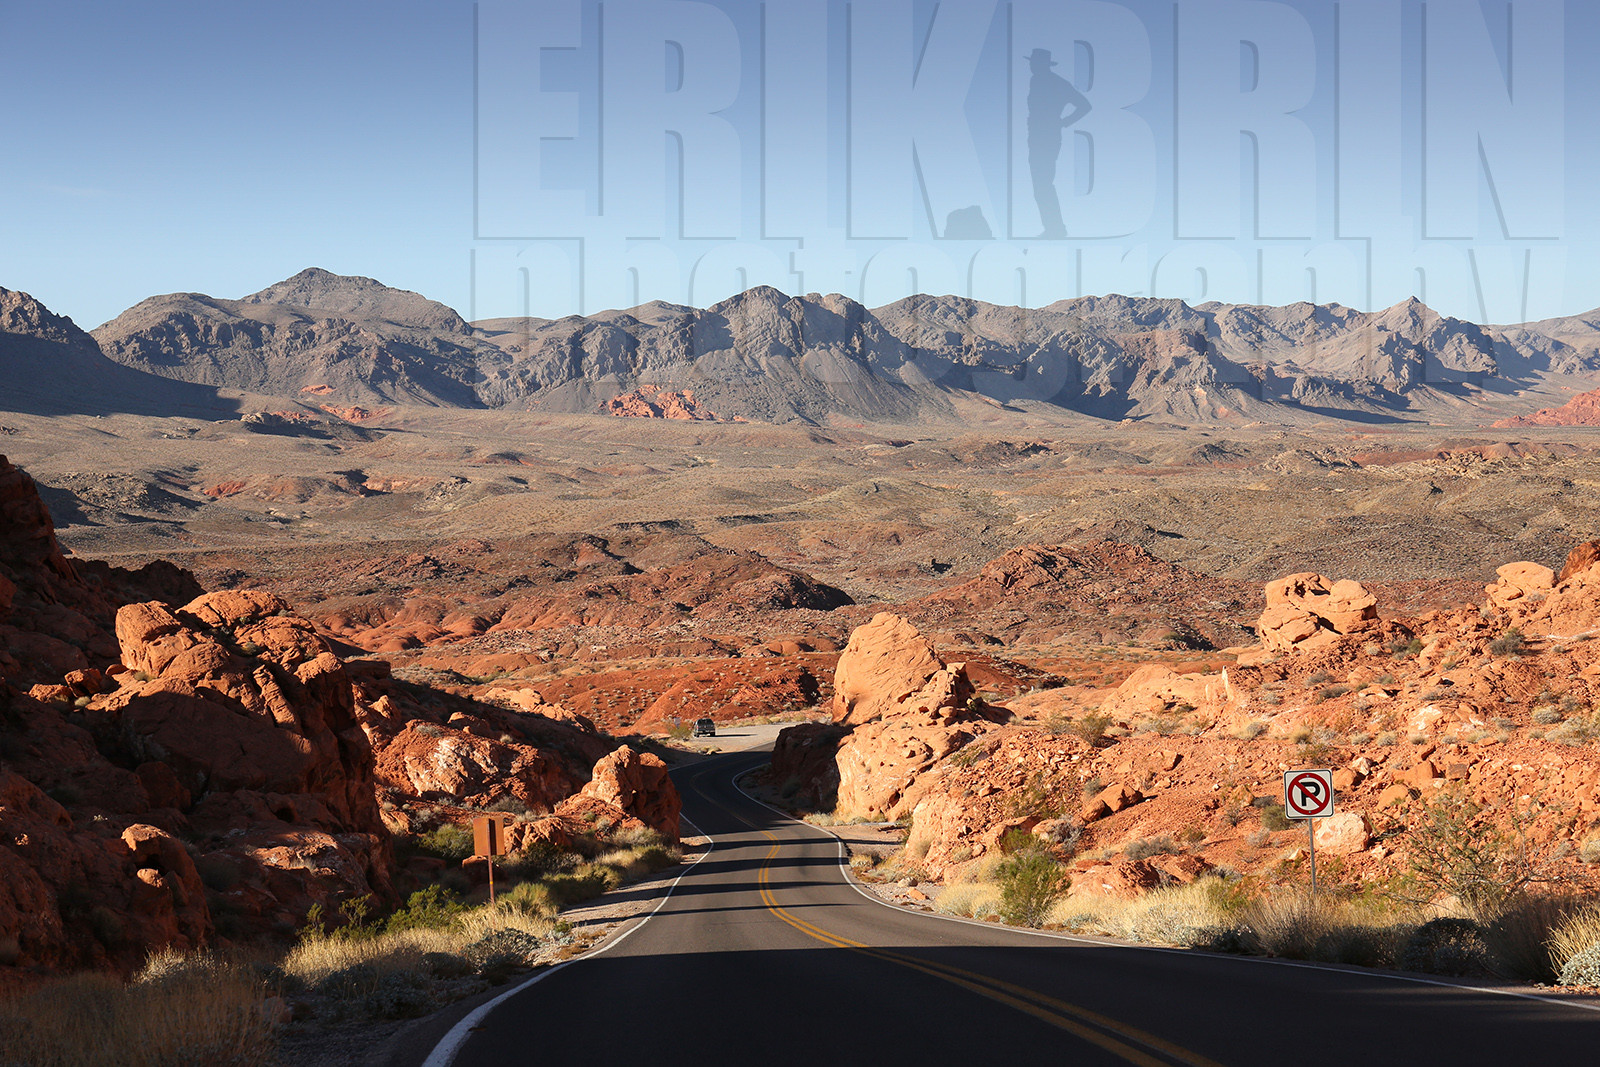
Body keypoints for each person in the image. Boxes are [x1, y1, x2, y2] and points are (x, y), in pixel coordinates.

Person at [1025, 48, 1091, 240]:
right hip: (1037, 137)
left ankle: (1056, 229)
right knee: (1040, 185)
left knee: (1043, 184)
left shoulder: (1057, 83)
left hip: (1047, 138)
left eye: (1034, 62)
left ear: (1042, 64)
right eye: (1031, 62)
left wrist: (1064, 122)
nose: (1031, 66)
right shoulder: (1035, 80)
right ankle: (1053, 228)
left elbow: (1085, 105)